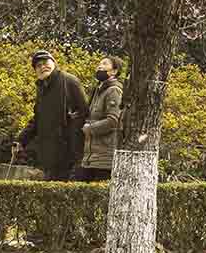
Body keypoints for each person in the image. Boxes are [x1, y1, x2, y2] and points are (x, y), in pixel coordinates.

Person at [15, 50, 89, 181]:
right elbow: (37, 119)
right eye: (38, 66)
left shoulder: (69, 81)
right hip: (49, 154)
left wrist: (72, 128)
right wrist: (21, 140)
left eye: (45, 63)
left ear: (54, 63)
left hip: (70, 151)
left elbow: (85, 112)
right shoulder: (42, 88)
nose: (42, 67)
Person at [78, 56, 125, 182]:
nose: (100, 66)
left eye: (104, 64)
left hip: (105, 159)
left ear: (114, 71)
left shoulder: (113, 90)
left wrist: (90, 129)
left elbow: (113, 120)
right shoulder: (98, 90)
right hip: (91, 157)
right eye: (99, 63)